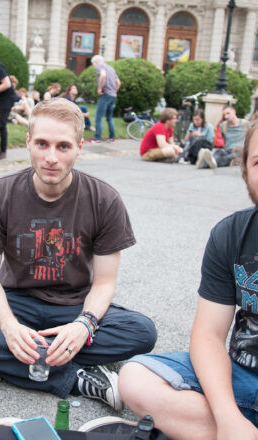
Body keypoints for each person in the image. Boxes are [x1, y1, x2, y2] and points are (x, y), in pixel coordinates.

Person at [0, 98, 157, 410]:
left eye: (63, 146)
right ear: (28, 143)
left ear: (80, 146)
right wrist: (8, 326)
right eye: (42, 144)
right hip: (15, 301)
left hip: (74, 304)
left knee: (141, 332)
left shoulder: (104, 199)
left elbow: (104, 283)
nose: (51, 157)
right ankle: (75, 377)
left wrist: (83, 326)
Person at [119, 122, 258, 440]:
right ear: (245, 171)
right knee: (135, 379)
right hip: (240, 375)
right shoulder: (231, 234)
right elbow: (209, 335)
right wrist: (226, 417)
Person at [196, 105, 250, 169]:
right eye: (224, 115)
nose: (226, 116)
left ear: (234, 111)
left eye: (228, 113)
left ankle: (205, 164)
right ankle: (209, 161)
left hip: (240, 150)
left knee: (230, 157)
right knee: (218, 152)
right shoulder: (223, 126)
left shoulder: (245, 123)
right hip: (228, 149)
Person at [90, 55, 121, 143]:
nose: (94, 66)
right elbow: (118, 82)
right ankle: (111, 138)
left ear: (96, 62)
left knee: (98, 117)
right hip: (113, 95)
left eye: (93, 64)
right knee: (109, 117)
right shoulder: (111, 68)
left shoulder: (101, 67)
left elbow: (103, 76)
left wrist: (99, 88)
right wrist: (114, 91)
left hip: (105, 94)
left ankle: (97, 138)